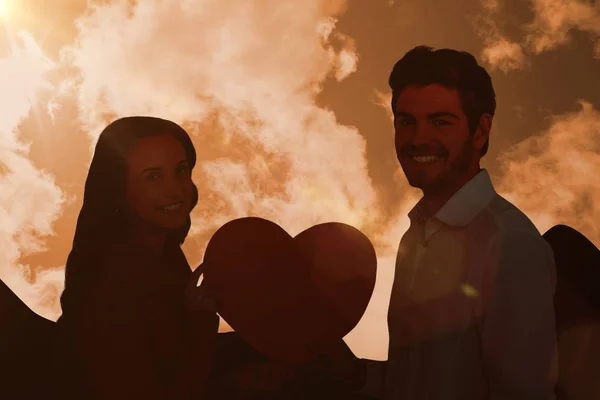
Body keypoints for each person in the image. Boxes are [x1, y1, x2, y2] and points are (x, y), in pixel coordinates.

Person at [312, 46, 558, 399]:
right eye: (406, 122)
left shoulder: (510, 244)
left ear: (480, 131)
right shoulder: (416, 236)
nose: (418, 139)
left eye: (440, 122)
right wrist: (352, 372)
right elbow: (414, 379)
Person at [54, 116, 219, 399]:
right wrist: (200, 322)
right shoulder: (110, 285)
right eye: (153, 176)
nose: (176, 189)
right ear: (119, 189)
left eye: (181, 171)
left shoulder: (165, 255)